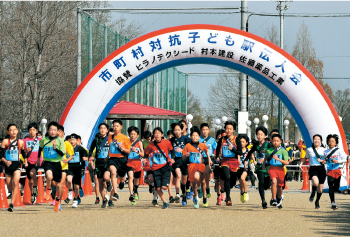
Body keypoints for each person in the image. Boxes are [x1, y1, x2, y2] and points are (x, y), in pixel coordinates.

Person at [144, 127, 174, 209]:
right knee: (157, 188)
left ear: (161, 134)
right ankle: (165, 202)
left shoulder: (167, 142)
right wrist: (144, 159)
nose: (157, 134)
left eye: (159, 133)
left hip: (165, 167)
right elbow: (146, 153)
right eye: (155, 133)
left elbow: (172, 150)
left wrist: (172, 158)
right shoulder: (151, 144)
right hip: (155, 168)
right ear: (153, 135)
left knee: (164, 187)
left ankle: (167, 194)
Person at [39, 122, 66, 212]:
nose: (52, 131)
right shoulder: (44, 140)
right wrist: (38, 158)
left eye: (54, 130)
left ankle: (58, 201)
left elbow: (62, 153)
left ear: (58, 131)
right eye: (51, 129)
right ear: (48, 130)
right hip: (47, 162)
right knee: (49, 176)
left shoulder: (60, 140)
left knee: (59, 185)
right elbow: (40, 148)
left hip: (57, 163)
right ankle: (48, 190)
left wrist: (55, 148)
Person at [182, 126, 212, 208]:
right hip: (191, 166)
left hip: (200, 165)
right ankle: (196, 198)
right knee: (193, 184)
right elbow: (183, 157)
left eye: (196, 135)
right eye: (193, 135)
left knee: (200, 180)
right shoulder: (188, 145)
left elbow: (207, 151)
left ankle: (204, 197)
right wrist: (186, 155)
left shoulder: (202, 145)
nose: (194, 137)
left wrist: (209, 159)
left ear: (199, 137)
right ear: (191, 137)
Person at [216, 121, 242, 206]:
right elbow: (217, 150)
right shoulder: (222, 139)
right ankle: (228, 198)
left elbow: (240, 152)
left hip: (234, 162)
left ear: (234, 130)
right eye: (227, 128)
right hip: (224, 161)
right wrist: (217, 157)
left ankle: (226, 190)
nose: (228, 130)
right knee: (227, 177)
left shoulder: (236, 139)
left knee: (233, 181)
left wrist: (233, 149)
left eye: (230, 129)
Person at [0, 124, 26, 212]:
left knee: (15, 182)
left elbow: (23, 153)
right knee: (10, 187)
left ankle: (11, 204)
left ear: (18, 131)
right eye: (11, 130)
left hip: (17, 165)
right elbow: (0, 154)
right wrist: (5, 161)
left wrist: (25, 161)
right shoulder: (5, 142)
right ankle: (11, 193)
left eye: (15, 129)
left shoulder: (21, 142)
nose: (13, 131)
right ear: (8, 132)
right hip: (7, 165)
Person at [247, 126, 273, 209]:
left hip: (268, 167)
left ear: (265, 136)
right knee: (260, 183)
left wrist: (266, 158)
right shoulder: (256, 145)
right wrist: (245, 160)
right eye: (258, 134)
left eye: (261, 134)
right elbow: (250, 152)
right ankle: (263, 201)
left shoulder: (268, 144)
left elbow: (273, 154)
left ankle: (271, 194)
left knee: (266, 185)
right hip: (260, 167)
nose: (259, 136)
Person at [89, 123, 114, 208]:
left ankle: (108, 192)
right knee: (100, 183)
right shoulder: (96, 140)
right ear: (99, 130)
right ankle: (104, 199)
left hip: (108, 162)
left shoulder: (110, 139)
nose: (102, 130)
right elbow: (91, 149)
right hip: (98, 163)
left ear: (107, 130)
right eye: (101, 128)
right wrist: (90, 157)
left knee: (106, 177)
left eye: (104, 128)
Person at [106, 119, 131, 202]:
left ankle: (122, 182)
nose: (115, 128)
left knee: (122, 178)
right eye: (114, 126)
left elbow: (129, 151)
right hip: (112, 159)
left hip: (122, 159)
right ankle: (115, 193)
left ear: (121, 127)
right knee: (113, 173)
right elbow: (110, 148)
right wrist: (107, 157)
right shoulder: (110, 137)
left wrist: (123, 149)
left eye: (117, 126)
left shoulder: (125, 138)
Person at [263, 134, 290, 209]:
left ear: (280, 141)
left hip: (281, 169)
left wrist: (278, 159)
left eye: (277, 141)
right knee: (274, 182)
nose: (275, 142)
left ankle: (279, 198)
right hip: (272, 168)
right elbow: (266, 157)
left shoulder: (283, 151)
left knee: (280, 186)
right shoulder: (269, 150)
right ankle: (274, 199)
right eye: (274, 141)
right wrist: (264, 164)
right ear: (271, 141)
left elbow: (287, 162)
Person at [300, 134, 326, 209]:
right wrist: (301, 164)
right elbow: (305, 157)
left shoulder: (324, 150)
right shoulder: (309, 149)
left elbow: (327, 160)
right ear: (313, 141)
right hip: (313, 168)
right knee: (315, 182)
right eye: (315, 139)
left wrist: (323, 161)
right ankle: (312, 193)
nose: (316, 140)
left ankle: (317, 201)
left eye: (318, 139)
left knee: (320, 189)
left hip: (321, 168)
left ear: (320, 141)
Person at [169, 122, 191, 205]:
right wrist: (171, 158)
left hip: (184, 160)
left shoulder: (186, 139)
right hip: (176, 161)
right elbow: (168, 150)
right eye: (175, 130)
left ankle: (184, 195)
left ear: (181, 130)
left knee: (184, 182)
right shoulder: (171, 140)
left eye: (178, 130)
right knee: (178, 175)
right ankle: (177, 194)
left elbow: (192, 148)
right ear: (173, 131)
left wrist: (183, 151)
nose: (177, 131)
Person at [324, 134, 347, 210]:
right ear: (327, 142)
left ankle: (335, 190)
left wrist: (338, 161)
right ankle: (332, 203)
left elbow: (345, 159)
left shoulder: (339, 150)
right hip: (330, 171)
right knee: (330, 185)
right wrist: (323, 161)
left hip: (337, 171)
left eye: (333, 141)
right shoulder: (325, 152)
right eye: (329, 141)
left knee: (336, 187)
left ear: (336, 143)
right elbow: (324, 160)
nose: (331, 143)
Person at [66, 134, 88, 208]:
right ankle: (70, 191)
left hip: (78, 167)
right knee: (69, 180)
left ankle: (75, 199)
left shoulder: (80, 149)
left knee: (76, 186)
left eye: (74, 140)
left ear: (77, 141)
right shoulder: (66, 148)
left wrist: (86, 158)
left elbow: (86, 155)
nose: (72, 141)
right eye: (70, 140)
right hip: (69, 167)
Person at [23, 122, 42, 204]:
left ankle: (34, 189)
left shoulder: (40, 140)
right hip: (28, 161)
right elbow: (22, 152)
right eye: (30, 130)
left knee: (32, 173)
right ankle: (33, 194)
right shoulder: (24, 140)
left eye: (33, 130)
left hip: (37, 161)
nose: (32, 132)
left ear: (37, 131)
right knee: (30, 180)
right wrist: (25, 153)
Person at [199, 123, 217, 199]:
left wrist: (215, 156)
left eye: (206, 129)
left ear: (209, 130)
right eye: (203, 129)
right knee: (201, 178)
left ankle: (207, 187)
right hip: (200, 159)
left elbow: (216, 150)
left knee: (206, 172)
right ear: (201, 131)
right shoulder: (198, 139)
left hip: (209, 159)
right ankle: (204, 194)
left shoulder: (212, 140)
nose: (205, 131)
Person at [126, 126, 144, 205]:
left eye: (134, 134)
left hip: (137, 162)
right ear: (129, 135)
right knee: (130, 177)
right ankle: (131, 194)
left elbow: (143, 154)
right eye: (131, 134)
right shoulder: (126, 142)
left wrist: (137, 151)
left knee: (136, 180)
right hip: (129, 162)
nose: (132, 135)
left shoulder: (139, 143)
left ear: (137, 135)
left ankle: (136, 189)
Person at [237, 134, 250, 203]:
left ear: (246, 142)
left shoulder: (248, 150)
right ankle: (241, 192)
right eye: (240, 142)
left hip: (245, 168)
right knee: (240, 182)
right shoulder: (237, 150)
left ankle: (245, 192)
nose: (242, 143)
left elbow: (252, 155)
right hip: (238, 168)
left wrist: (254, 161)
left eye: (243, 142)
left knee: (243, 178)